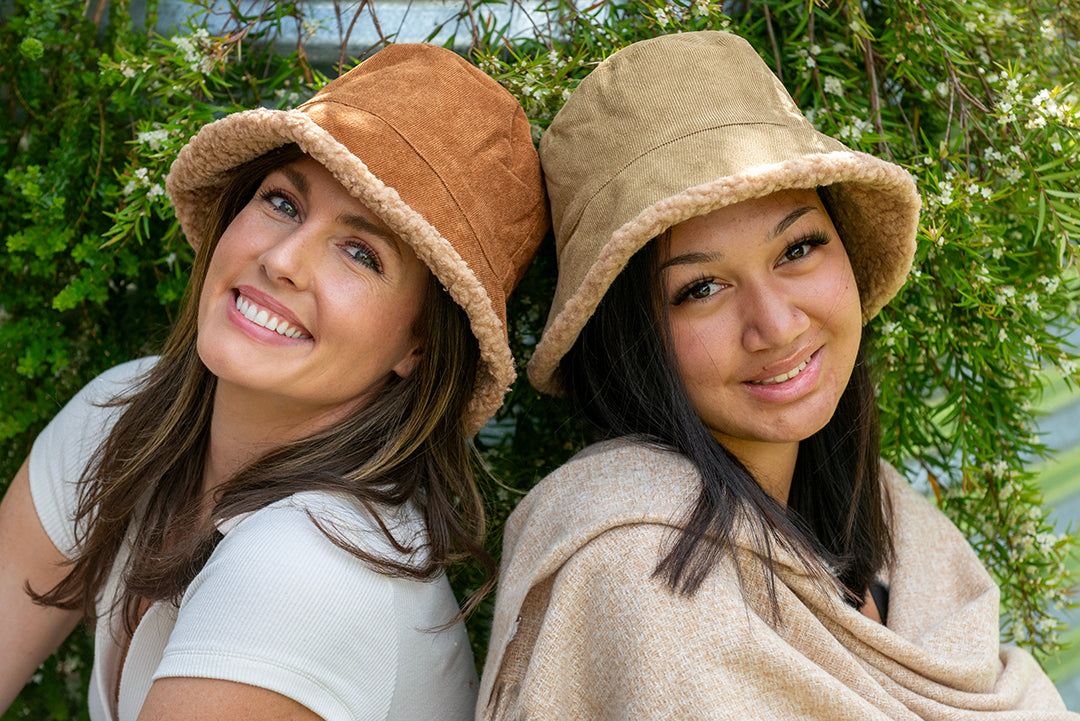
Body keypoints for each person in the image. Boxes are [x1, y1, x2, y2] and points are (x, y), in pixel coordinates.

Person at [477, 31, 1075, 720]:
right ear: (631, 340)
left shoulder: (899, 530)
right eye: (701, 287)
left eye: (798, 247)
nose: (777, 325)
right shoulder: (638, 568)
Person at [0, 43, 548, 721]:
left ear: (420, 345)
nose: (283, 259)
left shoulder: (314, 567)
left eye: (360, 251)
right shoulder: (121, 415)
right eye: (284, 202)